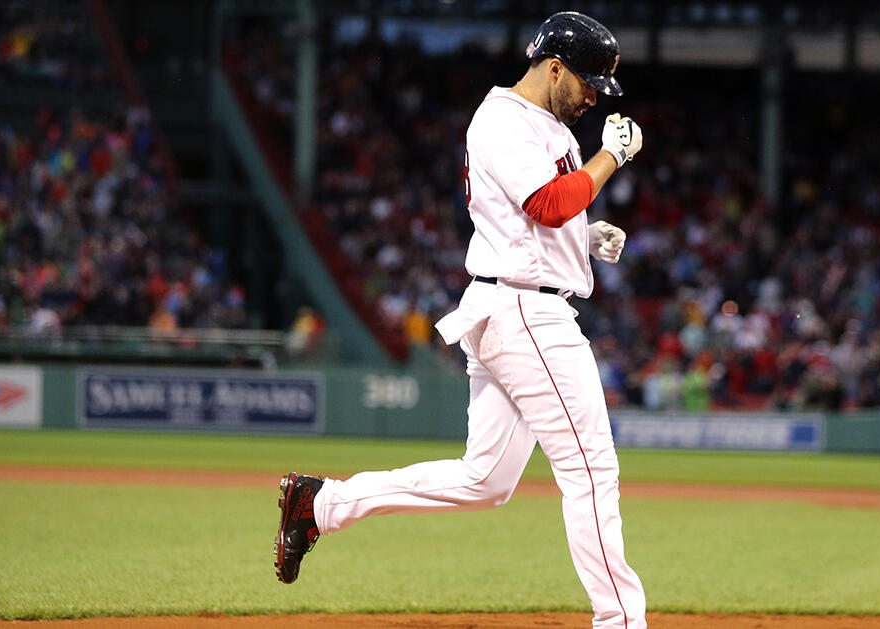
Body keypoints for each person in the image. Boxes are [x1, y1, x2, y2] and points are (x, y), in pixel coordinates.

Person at [274, 12, 647, 628]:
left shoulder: (548, 127)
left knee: (485, 480)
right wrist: (612, 157)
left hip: (520, 302)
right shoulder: (502, 118)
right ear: (554, 67)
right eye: (587, 84)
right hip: (526, 314)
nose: (592, 98)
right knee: (590, 469)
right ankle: (621, 622)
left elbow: (535, 223)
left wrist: (584, 239)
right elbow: (549, 205)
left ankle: (322, 504)